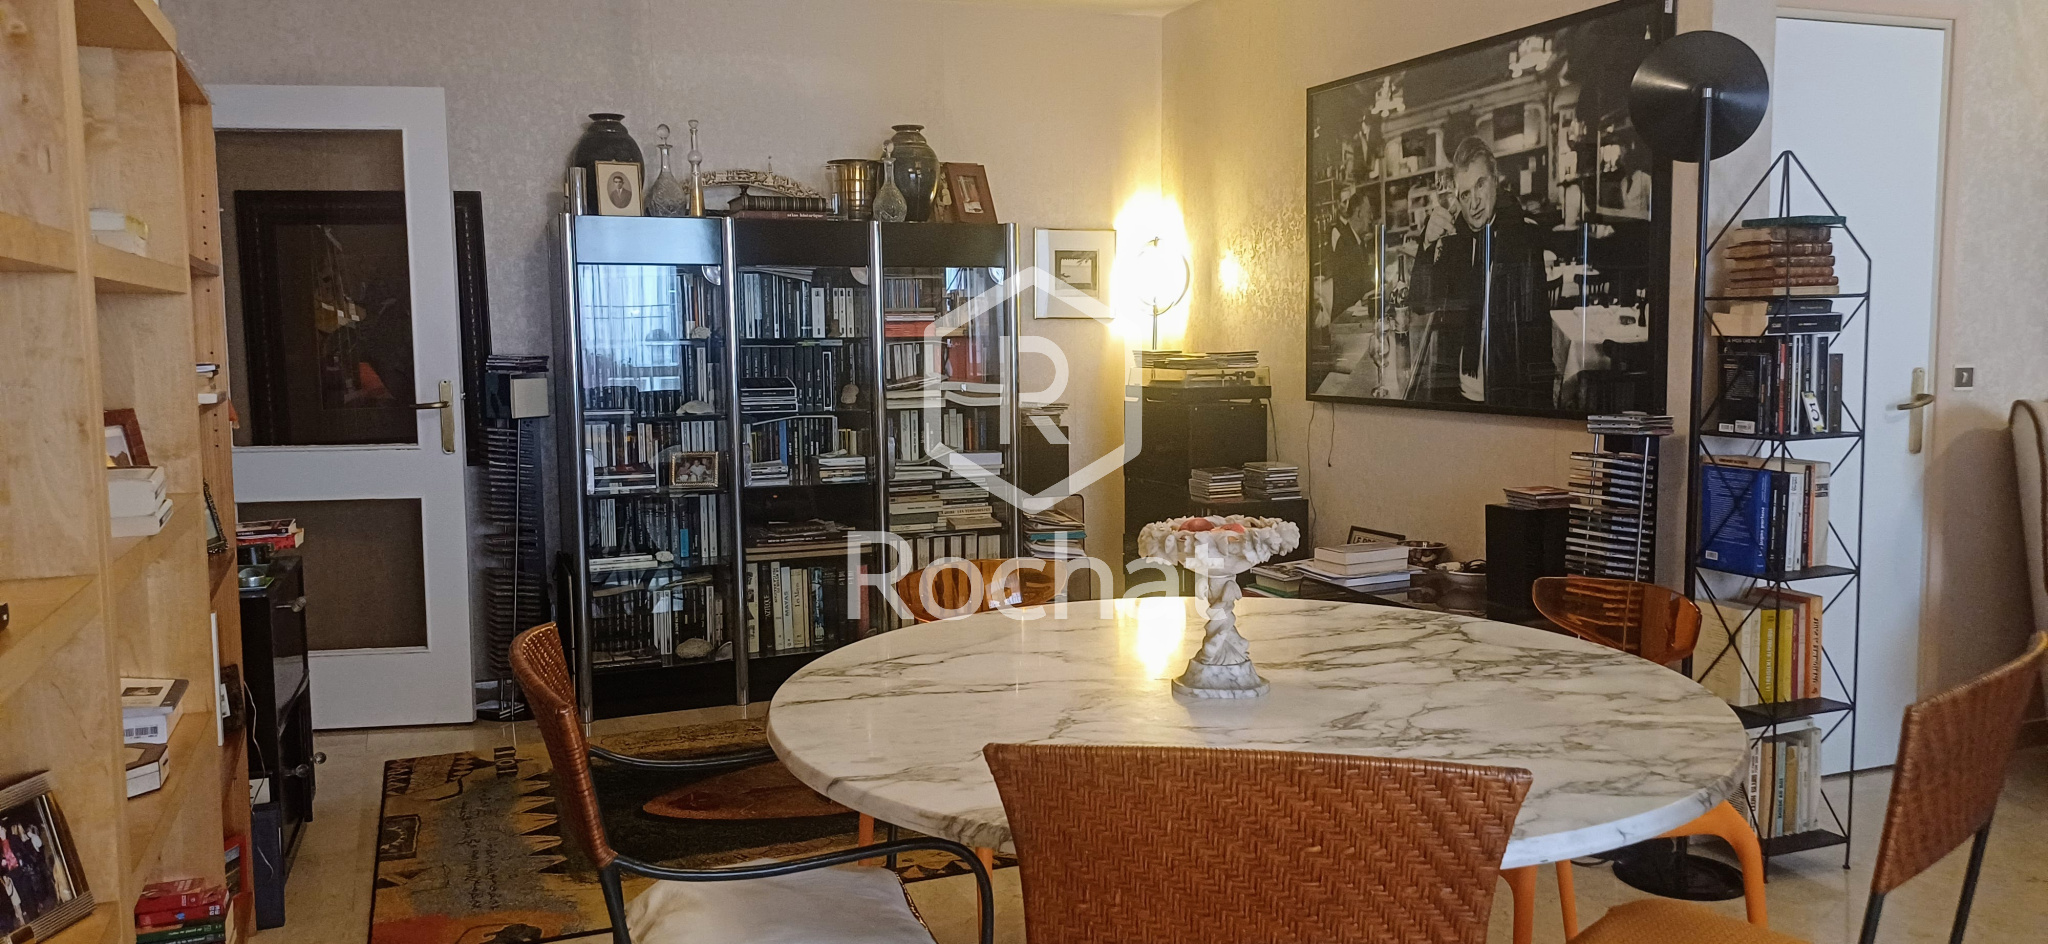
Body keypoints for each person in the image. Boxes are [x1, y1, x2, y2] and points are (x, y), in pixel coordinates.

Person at [1407, 136, 1552, 405]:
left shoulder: (1523, 239)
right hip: (1456, 398)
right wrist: (1426, 246)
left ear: (1495, 179)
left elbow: (1539, 337)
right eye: (1465, 194)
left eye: (1480, 184)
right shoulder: (1451, 240)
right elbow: (1420, 303)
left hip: (1506, 400)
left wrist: (1541, 409)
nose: (1473, 203)